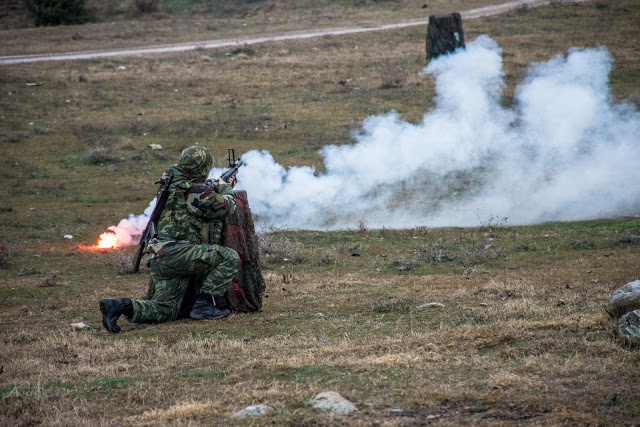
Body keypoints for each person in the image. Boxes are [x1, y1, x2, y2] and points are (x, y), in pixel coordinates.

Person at [100, 146, 240, 333]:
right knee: (229, 258)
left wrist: (213, 185)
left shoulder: (170, 185)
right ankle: (204, 304)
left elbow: (195, 196)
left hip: (160, 255)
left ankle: (119, 306)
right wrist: (225, 187)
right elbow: (226, 208)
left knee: (166, 310)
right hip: (179, 254)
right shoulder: (193, 190)